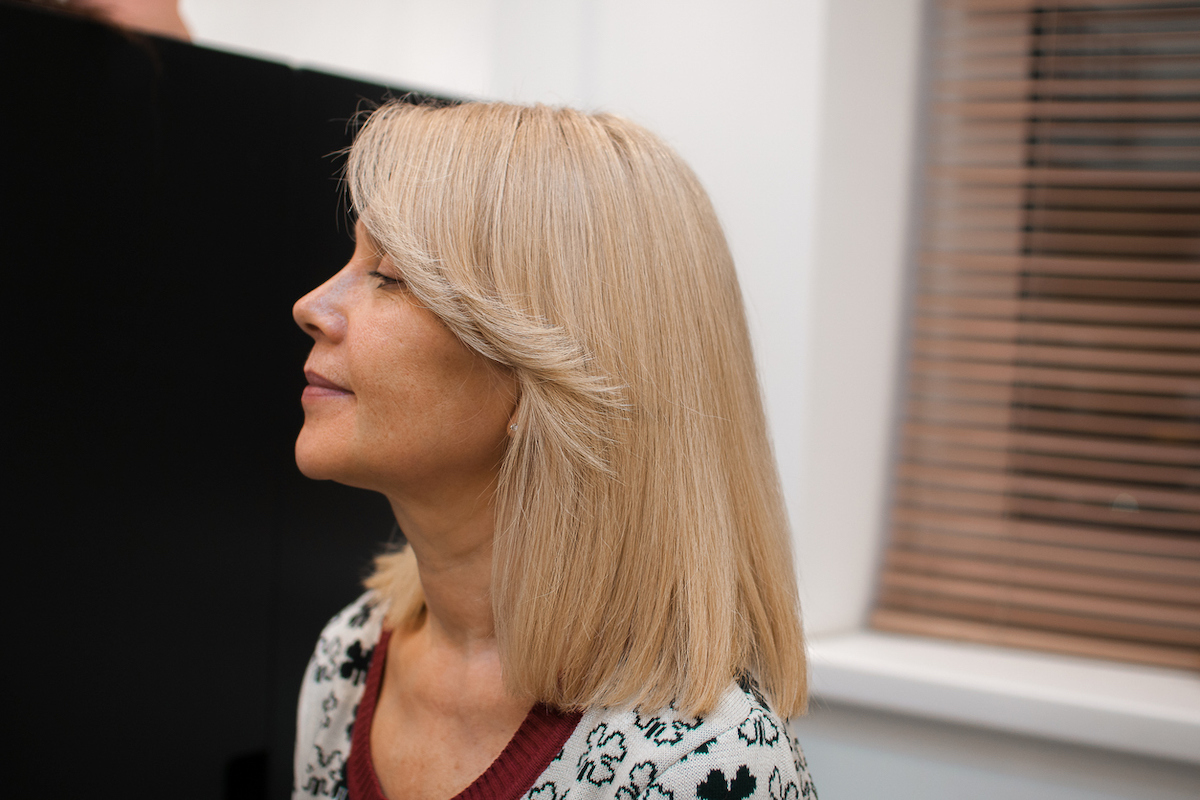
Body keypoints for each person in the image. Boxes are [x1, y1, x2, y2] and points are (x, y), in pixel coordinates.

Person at [291, 100, 816, 800]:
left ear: (537, 377)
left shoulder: (701, 763)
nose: (311, 305)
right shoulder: (350, 660)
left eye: (388, 275)